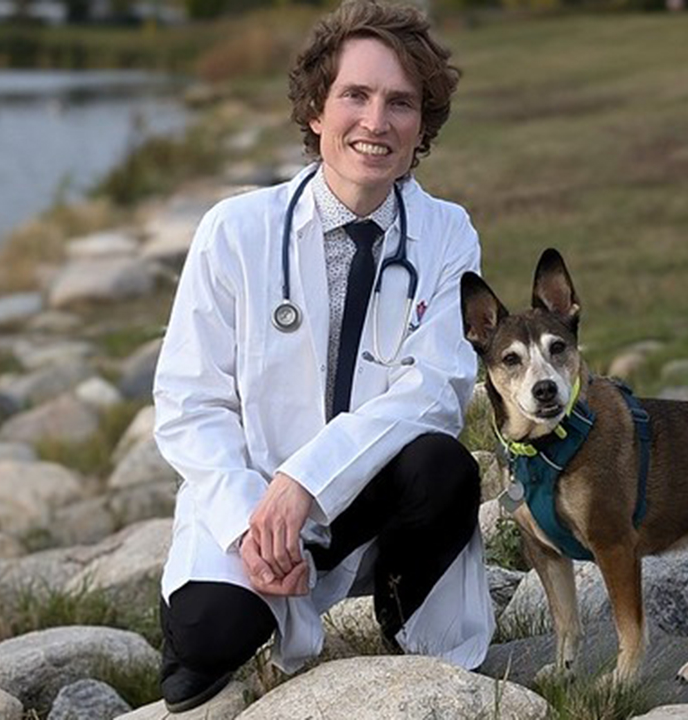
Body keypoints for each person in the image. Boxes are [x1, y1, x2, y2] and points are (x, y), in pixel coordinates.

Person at [152, 0, 494, 711]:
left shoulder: (446, 234)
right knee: (205, 648)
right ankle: (231, 592)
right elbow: (190, 403)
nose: (376, 122)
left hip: (371, 498)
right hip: (255, 498)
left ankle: (401, 618)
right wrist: (256, 520)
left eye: (401, 103)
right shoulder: (236, 230)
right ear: (315, 109)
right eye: (356, 96)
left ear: (422, 125)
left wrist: (306, 482)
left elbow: (436, 387)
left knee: (443, 466)